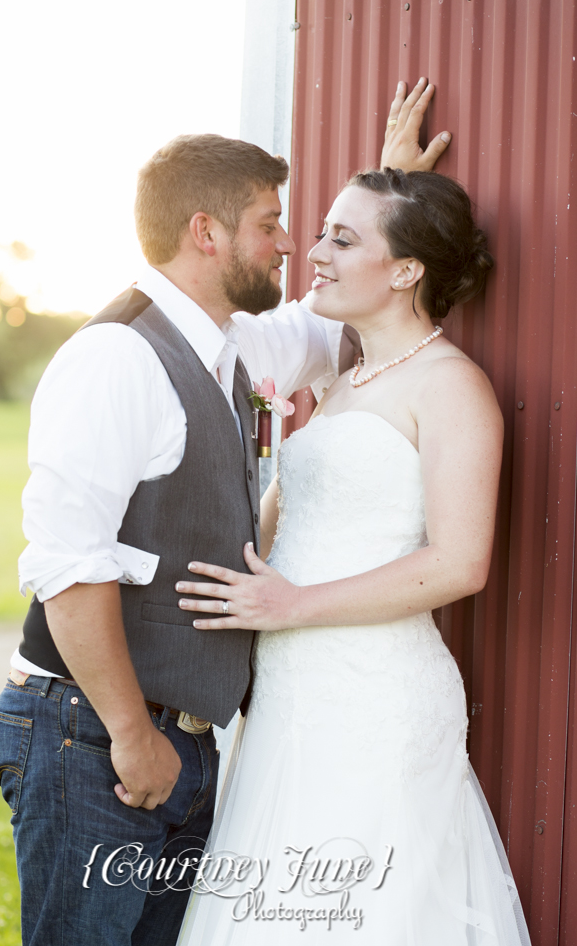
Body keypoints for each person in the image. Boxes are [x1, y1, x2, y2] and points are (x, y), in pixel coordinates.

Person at [0, 81, 450, 946]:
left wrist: (391, 190)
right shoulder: (113, 358)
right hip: (91, 740)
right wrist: (131, 736)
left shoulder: (229, 342)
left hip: (184, 746)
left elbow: (328, 315)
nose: (288, 246)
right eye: (269, 225)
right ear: (205, 232)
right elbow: (67, 565)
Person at [175, 169, 532, 944]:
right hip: (290, 694)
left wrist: (292, 604)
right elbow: (288, 518)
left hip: (375, 702)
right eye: (320, 234)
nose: (314, 254)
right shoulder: (341, 382)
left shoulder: (450, 387)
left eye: (342, 239)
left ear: (406, 271)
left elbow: (459, 563)